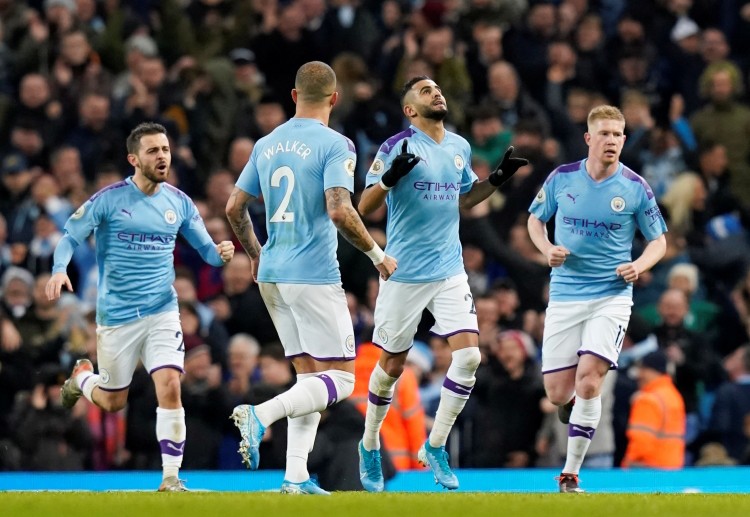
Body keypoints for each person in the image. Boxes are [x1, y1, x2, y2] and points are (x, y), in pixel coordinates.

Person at [224, 61, 397, 496]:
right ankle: (260, 414)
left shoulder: (265, 143)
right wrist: (377, 254)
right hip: (313, 274)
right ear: (335, 99)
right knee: (340, 380)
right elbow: (340, 208)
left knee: (309, 380)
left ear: (294, 96)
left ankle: (295, 477)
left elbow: (233, 208)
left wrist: (256, 255)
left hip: (273, 274)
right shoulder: (336, 144)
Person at [357, 75, 528, 492]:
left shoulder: (459, 147)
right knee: (392, 366)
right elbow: (363, 206)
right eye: (425, 90)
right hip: (402, 272)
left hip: (449, 270)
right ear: (409, 110)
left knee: (469, 357)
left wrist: (497, 180)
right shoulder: (396, 147)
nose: (436, 92)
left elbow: (465, 199)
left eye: (437, 88)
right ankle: (369, 443)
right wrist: (387, 180)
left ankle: (434, 447)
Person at [45, 122, 235, 491]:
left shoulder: (179, 202)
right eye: (152, 151)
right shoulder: (109, 199)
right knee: (114, 402)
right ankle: (82, 378)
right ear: (134, 158)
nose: (162, 156)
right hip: (116, 317)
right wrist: (57, 270)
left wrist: (222, 254)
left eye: (165, 149)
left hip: (162, 310)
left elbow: (207, 252)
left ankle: (171, 478)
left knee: (169, 384)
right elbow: (70, 236)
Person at [527, 104, 667, 492]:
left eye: (618, 134)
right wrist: (546, 248)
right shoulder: (562, 178)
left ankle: (570, 473)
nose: (612, 141)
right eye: (604, 133)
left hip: (612, 295)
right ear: (589, 138)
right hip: (566, 295)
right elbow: (535, 220)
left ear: (624, 140)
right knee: (558, 394)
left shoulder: (636, 187)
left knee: (589, 381)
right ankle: (573, 410)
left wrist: (639, 265)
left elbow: (659, 240)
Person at [621, 350, 686, 469]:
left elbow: (641, 441)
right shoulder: (674, 396)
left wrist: (627, 465)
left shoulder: (647, 400)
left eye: (642, 369)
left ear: (651, 370)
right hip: (672, 468)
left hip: (647, 470)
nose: (639, 375)